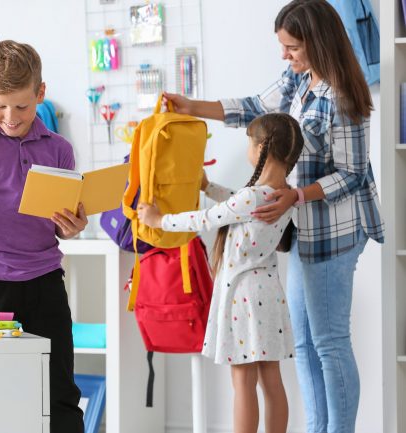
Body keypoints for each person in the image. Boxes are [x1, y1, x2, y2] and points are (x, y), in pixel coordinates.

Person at [162, 1, 384, 431]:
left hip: (336, 232)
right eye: (283, 46)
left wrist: (297, 195)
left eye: (292, 47)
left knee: (330, 342)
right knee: (303, 341)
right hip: (301, 224)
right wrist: (191, 106)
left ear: (317, 44)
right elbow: (254, 109)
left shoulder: (343, 98)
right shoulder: (297, 79)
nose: (285, 55)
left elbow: (354, 174)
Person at [0, 40, 87, 433]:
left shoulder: (59, 149)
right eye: (1, 106)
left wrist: (72, 228)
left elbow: (62, 224)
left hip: (45, 282)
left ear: (40, 93)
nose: (11, 117)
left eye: (22, 107)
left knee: (59, 391)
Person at [138, 113, 304, 433]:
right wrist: (208, 186)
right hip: (268, 295)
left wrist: (159, 220)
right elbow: (237, 205)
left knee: (242, 380)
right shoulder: (283, 195)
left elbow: (207, 219)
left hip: (243, 296)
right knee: (271, 379)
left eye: (249, 144)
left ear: (261, 149)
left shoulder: (253, 196)